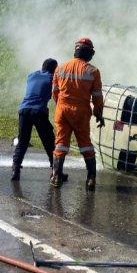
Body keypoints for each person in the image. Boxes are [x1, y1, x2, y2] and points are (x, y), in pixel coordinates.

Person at [51, 38, 105, 190]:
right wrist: (98, 113)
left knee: (60, 144)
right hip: (81, 112)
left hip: (62, 110)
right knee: (85, 144)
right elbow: (97, 97)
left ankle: (56, 176)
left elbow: (55, 92)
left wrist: (61, 106)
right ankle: (91, 179)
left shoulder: (60, 68)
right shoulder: (93, 71)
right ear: (88, 53)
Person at [11, 58, 67, 182]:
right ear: (54, 69)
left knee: (23, 141)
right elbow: (58, 94)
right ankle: (57, 172)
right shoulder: (53, 78)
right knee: (49, 142)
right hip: (39, 111)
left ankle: (15, 170)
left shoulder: (31, 75)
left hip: (24, 110)